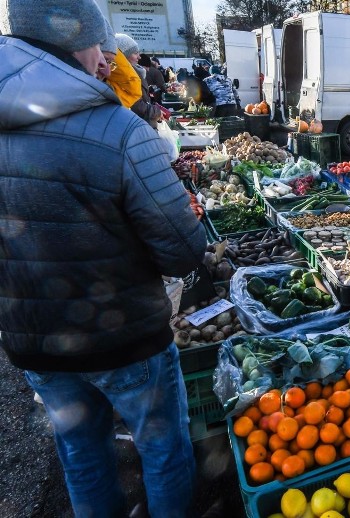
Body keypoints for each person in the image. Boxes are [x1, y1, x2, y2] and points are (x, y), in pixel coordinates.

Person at [0, 1, 206, 517]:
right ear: (75, 42)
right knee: (163, 451)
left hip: (34, 341)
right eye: (99, 44)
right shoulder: (119, 131)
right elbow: (183, 250)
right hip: (126, 338)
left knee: (82, 456)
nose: (105, 59)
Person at [115, 33, 161, 128]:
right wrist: (156, 111)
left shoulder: (135, 72)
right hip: (136, 126)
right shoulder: (124, 76)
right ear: (124, 55)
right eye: (135, 53)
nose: (139, 57)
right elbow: (135, 105)